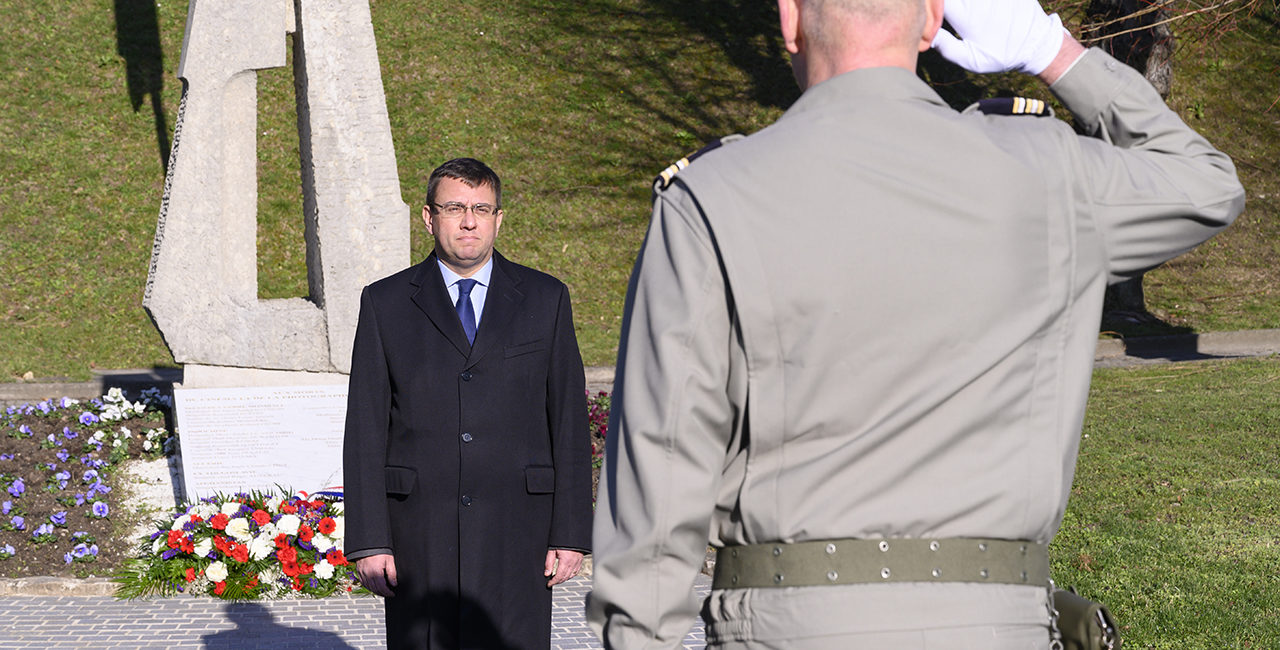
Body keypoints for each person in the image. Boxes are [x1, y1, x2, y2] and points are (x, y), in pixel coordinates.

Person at [587, 0, 1245, 647]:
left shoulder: (712, 197)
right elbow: (1205, 185)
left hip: (789, 625)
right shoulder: (1048, 172)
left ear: (789, 20)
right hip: (997, 623)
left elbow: (664, 458)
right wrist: (1055, 52)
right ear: (934, 20)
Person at [344, 157, 593, 649]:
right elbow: (366, 427)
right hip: (420, 531)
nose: (469, 221)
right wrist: (371, 541)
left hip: (517, 529)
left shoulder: (545, 298)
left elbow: (567, 420)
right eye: (454, 207)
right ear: (428, 217)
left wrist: (570, 533)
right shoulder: (385, 302)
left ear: (499, 217)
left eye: (482, 208)